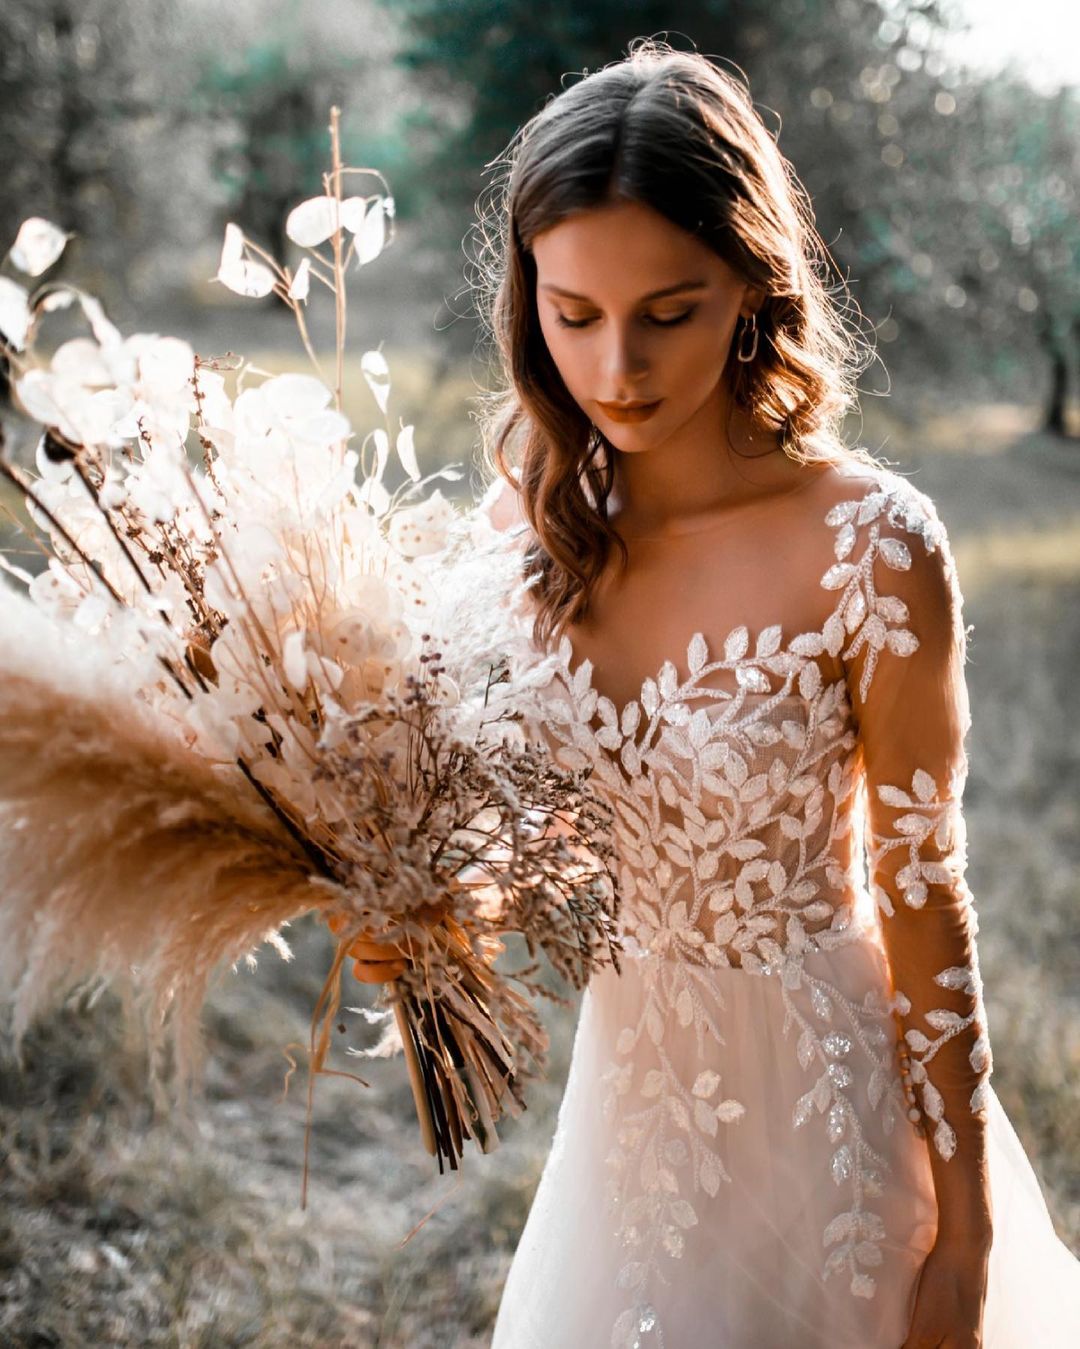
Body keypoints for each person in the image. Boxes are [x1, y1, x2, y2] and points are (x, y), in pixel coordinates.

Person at [368, 39, 1080, 1349]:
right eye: (572, 315)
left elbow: (926, 894)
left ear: (753, 282)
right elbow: (542, 855)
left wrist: (966, 1237)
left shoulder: (872, 544)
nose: (618, 367)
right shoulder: (524, 536)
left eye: (669, 309)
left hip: (836, 1128)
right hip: (629, 1139)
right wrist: (434, 913)